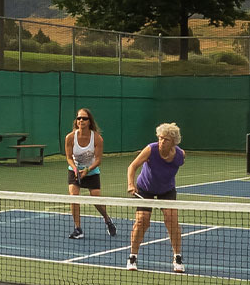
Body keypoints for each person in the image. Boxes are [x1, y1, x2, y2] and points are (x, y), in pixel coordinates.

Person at [124, 123, 188, 274]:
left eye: (165, 139)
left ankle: (177, 258)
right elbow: (132, 167)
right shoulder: (151, 149)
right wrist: (131, 184)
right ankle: (132, 257)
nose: (161, 142)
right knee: (142, 221)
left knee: (171, 220)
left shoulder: (180, 155)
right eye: (160, 138)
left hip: (166, 190)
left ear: (173, 141)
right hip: (145, 189)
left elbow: (174, 167)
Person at [63, 108, 116, 239]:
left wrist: (86, 170)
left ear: (89, 121)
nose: (81, 120)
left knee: (96, 198)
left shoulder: (97, 139)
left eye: (84, 118)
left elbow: (98, 160)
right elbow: (69, 157)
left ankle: (107, 219)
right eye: (79, 118)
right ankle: (78, 228)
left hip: (91, 171)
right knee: (74, 196)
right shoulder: (70, 137)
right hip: (75, 170)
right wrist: (75, 169)